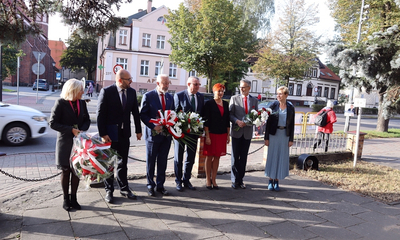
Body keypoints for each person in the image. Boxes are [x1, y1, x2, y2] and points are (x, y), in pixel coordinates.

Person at [97, 69, 142, 204]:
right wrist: (103, 134)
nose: (131, 81)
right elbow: (100, 114)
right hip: (109, 135)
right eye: (129, 79)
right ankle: (109, 190)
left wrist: (138, 131)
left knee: (123, 163)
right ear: (120, 80)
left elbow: (135, 113)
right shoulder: (107, 91)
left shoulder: (132, 92)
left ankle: (124, 188)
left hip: (124, 134)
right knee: (109, 163)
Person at [49, 79, 91, 211]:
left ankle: (74, 198)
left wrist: (82, 129)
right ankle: (65, 199)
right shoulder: (60, 103)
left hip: (78, 143)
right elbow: (52, 123)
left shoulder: (82, 103)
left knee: (76, 171)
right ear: (73, 90)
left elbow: (87, 120)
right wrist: (70, 130)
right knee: (66, 171)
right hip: (65, 142)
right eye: (80, 90)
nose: (83, 92)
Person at [140, 74, 174, 196]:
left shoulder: (170, 97)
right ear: (158, 83)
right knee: (151, 161)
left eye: (168, 83)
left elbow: (173, 114)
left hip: (166, 136)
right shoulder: (148, 96)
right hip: (152, 136)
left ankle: (160, 185)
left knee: (162, 161)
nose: (167, 85)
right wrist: (153, 126)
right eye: (164, 83)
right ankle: (150, 185)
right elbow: (143, 115)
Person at [173, 76, 204, 191]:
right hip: (180, 133)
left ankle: (186, 179)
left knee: (190, 157)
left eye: (198, 84)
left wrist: (200, 130)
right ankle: (178, 181)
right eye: (195, 84)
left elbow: (202, 115)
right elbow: (175, 114)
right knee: (178, 157)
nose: (197, 87)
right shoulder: (179, 95)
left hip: (194, 133)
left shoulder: (200, 97)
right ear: (188, 84)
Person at [264, 86, 295, 192]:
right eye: (277, 93)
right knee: (272, 157)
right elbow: (267, 123)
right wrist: (266, 137)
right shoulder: (273, 106)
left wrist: (291, 138)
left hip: (284, 135)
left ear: (286, 95)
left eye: (280, 94)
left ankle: (276, 181)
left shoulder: (290, 107)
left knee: (281, 157)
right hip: (274, 134)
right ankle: (270, 180)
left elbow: (292, 124)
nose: (278, 95)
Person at [229, 80, 258, 189]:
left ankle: (240, 179)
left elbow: (257, 116)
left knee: (243, 157)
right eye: (240, 87)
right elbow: (230, 114)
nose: (241, 89)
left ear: (249, 88)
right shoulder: (234, 99)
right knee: (235, 157)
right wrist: (237, 121)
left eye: (244, 87)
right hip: (236, 132)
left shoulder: (254, 101)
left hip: (247, 132)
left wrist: (249, 122)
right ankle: (234, 179)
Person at [202, 83, 230, 190]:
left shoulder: (226, 104)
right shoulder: (209, 104)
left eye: (222, 91)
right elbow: (206, 121)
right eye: (219, 91)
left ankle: (214, 179)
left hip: (222, 133)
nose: (221, 93)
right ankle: (208, 179)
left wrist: (228, 134)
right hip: (211, 133)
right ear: (214, 91)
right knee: (209, 156)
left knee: (217, 156)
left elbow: (227, 120)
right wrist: (207, 136)